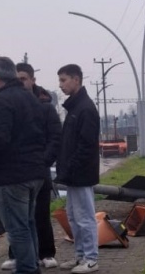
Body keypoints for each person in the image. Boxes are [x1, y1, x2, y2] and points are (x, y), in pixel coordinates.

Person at [0, 56, 47, 274]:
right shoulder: (30, 98)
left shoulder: (2, 100)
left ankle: (27, 269)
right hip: (35, 172)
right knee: (28, 224)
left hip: (13, 175)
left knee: (17, 228)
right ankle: (33, 266)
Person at [1, 63, 62, 270]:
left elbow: (55, 137)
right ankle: (18, 255)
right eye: (17, 79)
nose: (21, 82)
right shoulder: (9, 103)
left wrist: (44, 161)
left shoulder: (45, 106)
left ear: (33, 80)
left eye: (24, 78)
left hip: (39, 170)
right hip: (16, 170)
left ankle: (46, 252)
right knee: (18, 218)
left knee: (40, 214)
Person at [56, 64, 100, 273]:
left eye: (64, 80)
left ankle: (91, 258)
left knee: (85, 217)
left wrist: (71, 166)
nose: (61, 85)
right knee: (74, 216)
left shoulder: (85, 109)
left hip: (81, 174)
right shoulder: (76, 107)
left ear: (76, 79)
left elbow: (86, 145)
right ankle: (81, 256)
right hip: (73, 174)